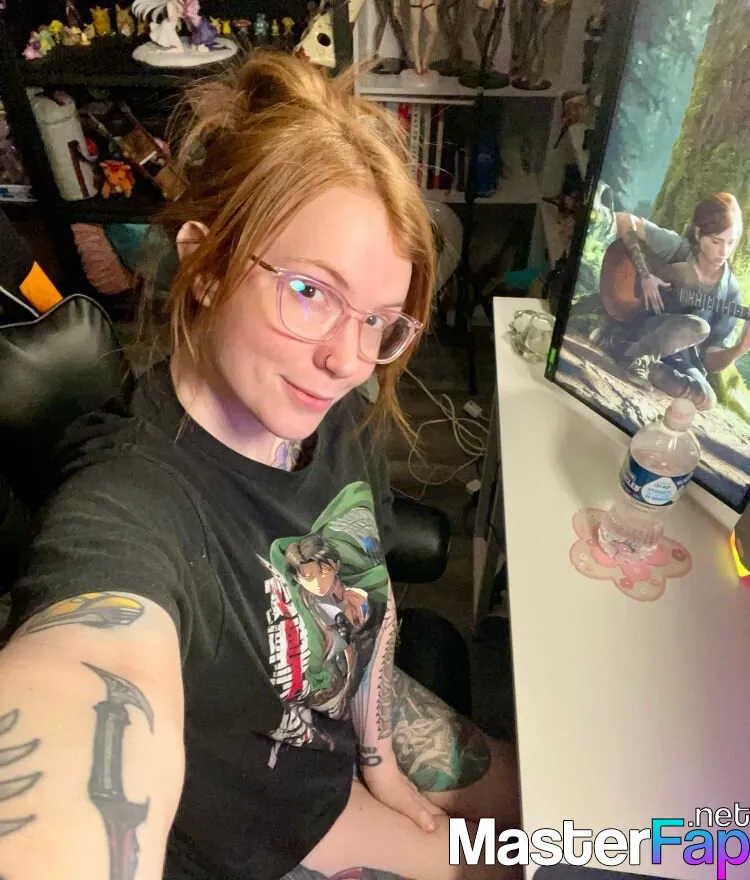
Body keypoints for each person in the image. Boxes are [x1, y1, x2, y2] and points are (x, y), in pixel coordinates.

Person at [0, 52, 520, 880]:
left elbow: (367, 593)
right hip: (277, 825)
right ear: (206, 266)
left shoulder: (332, 415)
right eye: (310, 291)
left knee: (567, 812)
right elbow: (85, 683)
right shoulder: (130, 500)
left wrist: (382, 757)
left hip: (348, 730)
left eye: (379, 321)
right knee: (514, 865)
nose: (347, 359)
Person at [612, 192, 750, 410]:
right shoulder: (677, 248)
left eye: (731, 242)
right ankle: (636, 354)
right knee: (698, 326)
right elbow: (623, 220)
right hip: (641, 321)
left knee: (706, 398)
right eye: (716, 241)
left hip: (677, 355)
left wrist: (740, 348)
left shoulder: (730, 291)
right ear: (698, 233)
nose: (724, 251)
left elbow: (709, 360)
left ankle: (641, 360)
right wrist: (646, 275)